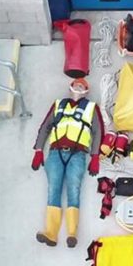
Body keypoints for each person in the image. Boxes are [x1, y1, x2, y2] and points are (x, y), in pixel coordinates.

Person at [31, 78, 104, 247]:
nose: (79, 86)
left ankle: (72, 233)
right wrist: (39, 150)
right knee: (53, 190)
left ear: (86, 90)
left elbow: (98, 132)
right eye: (76, 84)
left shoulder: (92, 108)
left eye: (83, 85)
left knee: (73, 189)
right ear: (70, 87)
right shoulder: (58, 105)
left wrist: (95, 157)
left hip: (78, 154)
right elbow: (45, 127)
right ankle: (51, 232)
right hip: (55, 152)